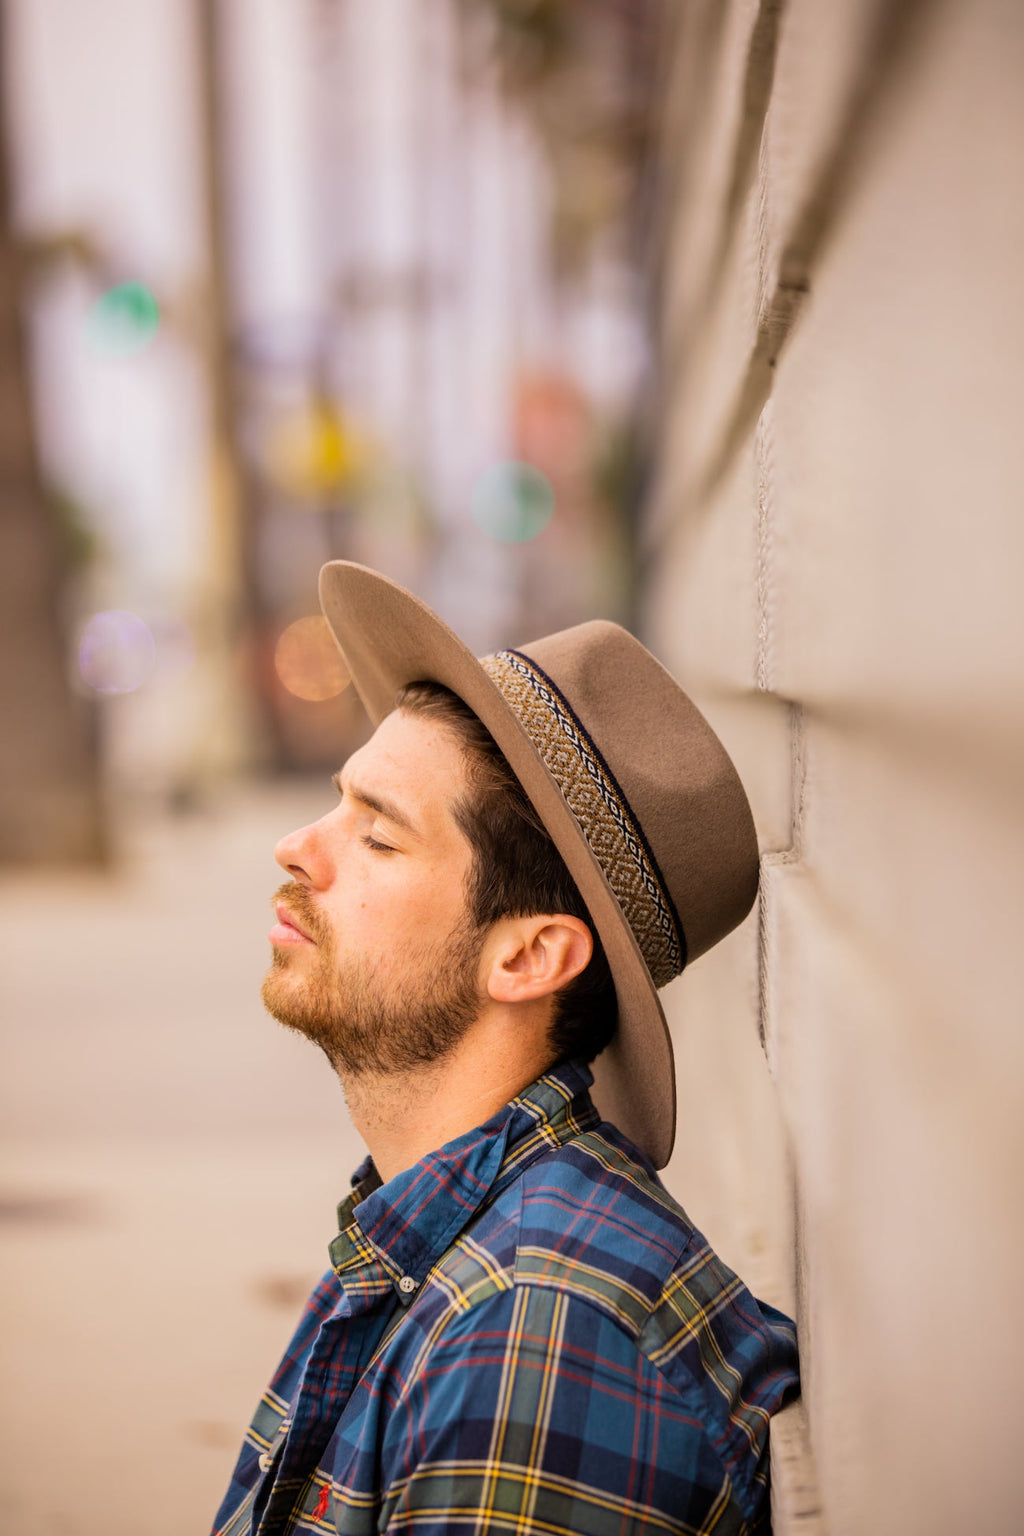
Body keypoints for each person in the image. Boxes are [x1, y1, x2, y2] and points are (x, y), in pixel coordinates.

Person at [211, 562, 799, 1536]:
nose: (294, 846)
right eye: (335, 801)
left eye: (379, 837)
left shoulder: (540, 1332)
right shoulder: (430, 1229)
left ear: (527, 956)